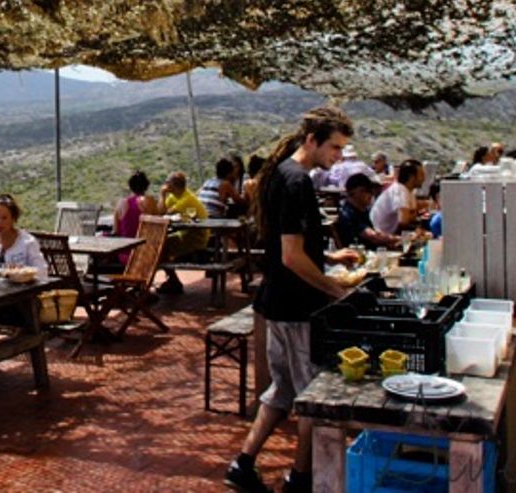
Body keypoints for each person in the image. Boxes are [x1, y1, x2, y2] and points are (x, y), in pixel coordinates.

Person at [224, 107, 363, 493]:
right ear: (312, 140)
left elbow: (288, 243)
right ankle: (301, 478)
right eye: (335, 147)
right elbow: (290, 255)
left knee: (283, 390)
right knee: (311, 396)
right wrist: (334, 289)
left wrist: (330, 258)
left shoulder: (277, 172)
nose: (339, 156)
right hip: (297, 307)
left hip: (276, 303)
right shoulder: (296, 180)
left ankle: (243, 464)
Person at [158, 171, 209, 293]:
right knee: (161, 245)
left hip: (196, 237)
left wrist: (162, 193)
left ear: (172, 185)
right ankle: (173, 280)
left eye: (167, 183)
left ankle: (174, 282)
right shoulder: (174, 196)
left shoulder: (187, 199)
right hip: (186, 233)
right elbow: (161, 211)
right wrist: (164, 195)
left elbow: (164, 213)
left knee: (161, 246)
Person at [334, 173, 399, 249]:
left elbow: (376, 234)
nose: (371, 194)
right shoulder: (349, 214)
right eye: (367, 190)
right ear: (355, 192)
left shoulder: (362, 211)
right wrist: (401, 238)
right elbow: (374, 237)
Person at [370, 158, 426, 235]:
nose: (424, 179)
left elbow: (412, 216)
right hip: (382, 236)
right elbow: (403, 223)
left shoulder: (409, 192)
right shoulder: (400, 192)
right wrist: (421, 231)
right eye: (421, 175)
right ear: (411, 177)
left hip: (392, 234)